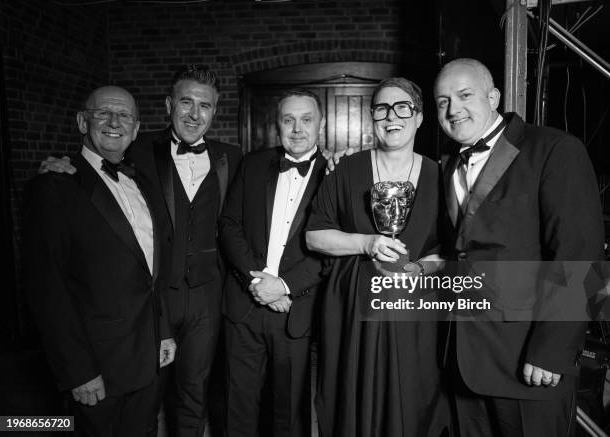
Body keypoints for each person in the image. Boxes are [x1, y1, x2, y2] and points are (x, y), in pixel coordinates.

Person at [39, 65, 242, 437]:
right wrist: (58, 166)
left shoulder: (233, 157)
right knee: (145, 398)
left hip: (206, 297)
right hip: (154, 300)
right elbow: (96, 171)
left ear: (215, 111)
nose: (194, 114)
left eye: (205, 106)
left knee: (193, 393)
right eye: (186, 102)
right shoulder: (138, 146)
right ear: (168, 105)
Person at [434, 58, 604, 436]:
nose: (453, 109)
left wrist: (552, 349)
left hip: (529, 360)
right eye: (442, 101)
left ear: (493, 96)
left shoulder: (555, 149)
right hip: (465, 361)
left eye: (464, 95)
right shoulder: (447, 164)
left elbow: (580, 256)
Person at [23, 86, 176, 437]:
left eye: (124, 115)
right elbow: (47, 290)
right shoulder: (54, 187)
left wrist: (163, 331)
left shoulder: (144, 183)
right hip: (98, 367)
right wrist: (77, 370)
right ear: (82, 121)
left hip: (148, 357)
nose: (114, 122)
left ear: (136, 128)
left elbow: (154, 270)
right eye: (103, 112)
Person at [306, 77, 450, 437]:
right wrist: (365, 243)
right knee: (353, 403)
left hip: (415, 311)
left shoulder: (440, 175)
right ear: (372, 118)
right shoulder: (346, 170)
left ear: (419, 117)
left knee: (414, 399)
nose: (392, 117)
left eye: (403, 107)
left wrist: (419, 268)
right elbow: (313, 236)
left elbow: (448, 247)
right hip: (354, 308)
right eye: (382, 109)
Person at [219, 88, 327, 437]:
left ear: (320, 124)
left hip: (294, 312)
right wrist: (260, 282)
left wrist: (283, 286)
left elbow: (330, 250)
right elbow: (229, 225)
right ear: (277, 125)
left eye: (306, 119)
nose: (297, 129)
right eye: (288, 120)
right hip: (243, 309)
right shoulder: (252, 164)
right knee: (239, 409)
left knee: (289, 415)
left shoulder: (337, 175)